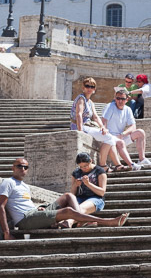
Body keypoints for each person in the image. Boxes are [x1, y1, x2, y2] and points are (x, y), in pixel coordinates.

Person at [0, 157, 128, 239]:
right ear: (13, 168)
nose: (23, 169)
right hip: (25, 220)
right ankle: (107, 222)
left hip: (34, 213)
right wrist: (6, 232)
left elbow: (24, 203)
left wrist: (39, 208)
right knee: (68, 212)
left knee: (68, 196)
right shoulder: (8, 182)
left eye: (25, 167)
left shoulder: (24, 186)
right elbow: (1, 206)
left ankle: (78, 220)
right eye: (19, 166)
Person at [70, 77, 123, 171]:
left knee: (110, 138)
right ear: (83, 87)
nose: (89, 88)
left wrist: (103, 127)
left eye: (92, 86)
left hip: (88, 125)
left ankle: (116, 165)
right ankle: (103, 165)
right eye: (87, 86)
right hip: (82, 126)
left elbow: (95, 117)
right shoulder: (81, 99)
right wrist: (80, 130)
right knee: (109, 138)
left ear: (94, 89)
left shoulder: (90, 102)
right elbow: (79, 114)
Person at [103, 90, 151, 169]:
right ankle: (132, 165)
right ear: (115, 98)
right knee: (120, 142)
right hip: (110, 137)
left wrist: (123, 134)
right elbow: (104, 121)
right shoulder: (110, 106)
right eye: (118, 98)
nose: (120, 101)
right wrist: (106, 134)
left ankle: (142, 159)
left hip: (120, 136)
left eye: (123, 99)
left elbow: (133, 126)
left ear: (127, 100)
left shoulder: (128, 109)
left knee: (140, 132)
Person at [70, 151, 108, 215]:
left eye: (85, 166)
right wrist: (75, 185)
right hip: (80, 198)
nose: (83, 169)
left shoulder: (99, 171)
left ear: (90, 161)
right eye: (81, 167)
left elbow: (102, 192)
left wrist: (88, 184)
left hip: (96, 198)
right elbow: (72, 194)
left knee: (79, 208)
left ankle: (69, 222)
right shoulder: (76, 172)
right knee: (67, 208)